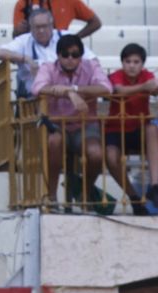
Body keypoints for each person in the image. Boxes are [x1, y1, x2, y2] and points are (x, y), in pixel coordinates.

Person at [34, 33, 112, 210]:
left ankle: (84, 193)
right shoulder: (48, 67)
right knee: (54, 142)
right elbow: (37, 88)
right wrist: (68, 93)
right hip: (56, 125)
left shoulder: (91, 66)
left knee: (96, 154)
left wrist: (74, 89)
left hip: (84, 125)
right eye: (65, 55)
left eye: (75, 55)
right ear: (58, 55)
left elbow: (107, 88)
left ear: (81, 56)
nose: (70, 59)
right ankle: (51, 196)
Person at [103, 42, 158, 216]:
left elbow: (155, 89)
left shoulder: (147, 75)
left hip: (139, 127)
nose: (131, 65)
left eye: (136, 62)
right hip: (115, 128)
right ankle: (134, 197)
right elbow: (119, 90)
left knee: (153, 130)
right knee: (110, 156)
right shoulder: (115, 76)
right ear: (122, 63)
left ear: (142, 64)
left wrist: (154, 89)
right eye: (128, 61)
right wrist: (145, 88)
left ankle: (154, 186)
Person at [0, 8, 62, 100]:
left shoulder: (64, 37)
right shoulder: (24, 40)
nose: (41, 30)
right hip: (35, 98)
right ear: (31, 28)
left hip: (65, 93)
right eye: (37, 27)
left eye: (44, 26)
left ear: (51, 25)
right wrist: (26, 59)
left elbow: (88, 59)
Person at [11, 0, 101, 38]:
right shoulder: (24, 3)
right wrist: (18, 31)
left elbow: (96, 23)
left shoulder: (69, 1)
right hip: (32, 55)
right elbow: (16, 37)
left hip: (60, 55)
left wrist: (74, 39)